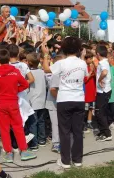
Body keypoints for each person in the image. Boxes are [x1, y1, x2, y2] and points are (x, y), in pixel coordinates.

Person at [42, 37, 88, 169]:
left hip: (64, 99)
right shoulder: (82, 63)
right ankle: (78, 160)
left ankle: (66, 161)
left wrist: (45, 54)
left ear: (64, 48)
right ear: (79, 49)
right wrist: (82, 58)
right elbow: (85, 73)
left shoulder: (61, 63)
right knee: (78, 131)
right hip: (79, 99)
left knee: (65, 131)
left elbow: (46, 69)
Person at [0, 49, 37, 162]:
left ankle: (8, 153)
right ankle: (24, 151)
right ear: (9, 59)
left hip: (1, 103)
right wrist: (15, 90)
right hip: (13, 102)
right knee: (18, 127)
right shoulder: (15, 71)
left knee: (4, 129)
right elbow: (24, 84)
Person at [45, 54, 65, 154]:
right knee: (56, 123)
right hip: (54, 103)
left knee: (61, 123)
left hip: (58, 102)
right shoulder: (56, 74)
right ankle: (56, 143)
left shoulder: (60, 73)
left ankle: (62, 141)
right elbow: (53, 90)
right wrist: (61, 100)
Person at [27, 52, 47, 146]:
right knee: (41, 121)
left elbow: (26, 88)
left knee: (33, 123)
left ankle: (34, 143)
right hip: (42, 101)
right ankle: (42, 139)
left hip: (32, 101)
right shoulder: (42, 72)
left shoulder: (29, 74)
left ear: (29, 62)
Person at [95, 45, 112, 142]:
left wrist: (99, 79)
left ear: (98, 54)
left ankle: (107, 134)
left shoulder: (102, 63)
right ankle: (102, 131)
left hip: (103, 91)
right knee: (101, 112)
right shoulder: (105, 62)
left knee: (100, 113)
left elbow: (104, 72)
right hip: (104, 90)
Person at [83, 50, 96, 133]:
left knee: (91, 107)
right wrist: (90, 72)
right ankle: (83, 123)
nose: (91, 60)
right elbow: (84, 80)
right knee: (85, 109)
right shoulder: (84, 68)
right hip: (86, 92)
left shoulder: (93, 66)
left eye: (92, 58)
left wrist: (93, 70)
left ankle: (89, 122)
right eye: (90, 58)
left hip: (92, 90)